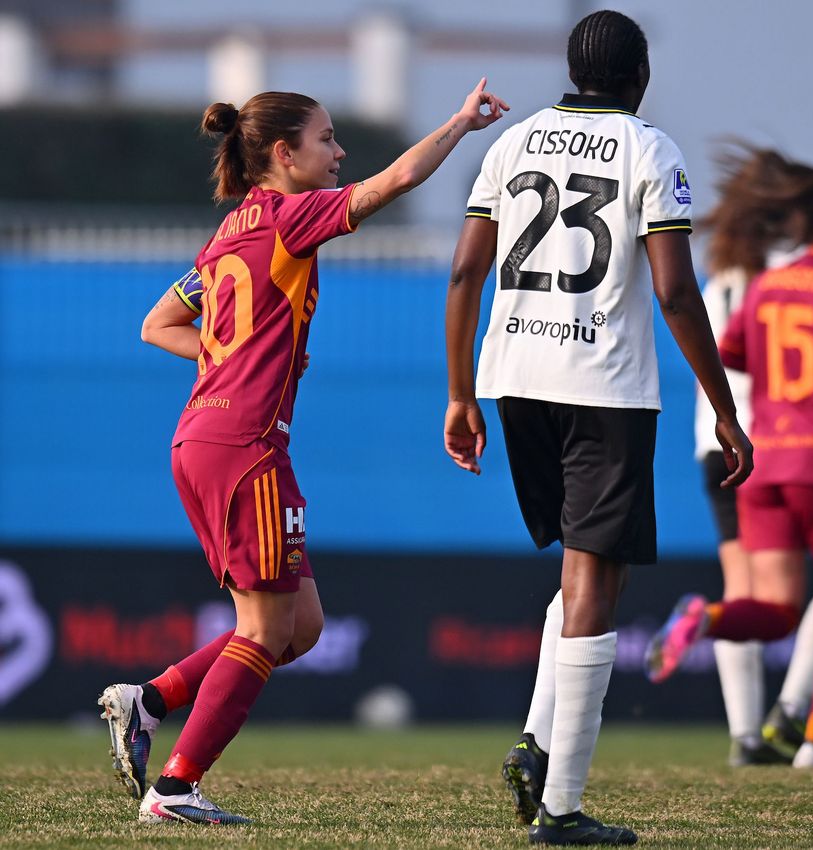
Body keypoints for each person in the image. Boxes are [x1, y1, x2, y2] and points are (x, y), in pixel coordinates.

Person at [98, 80, 507, 826]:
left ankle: (149, 701)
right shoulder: (288, 219)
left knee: (300, 629)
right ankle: (175, 789)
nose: (339, 152)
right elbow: (398, 180)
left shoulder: (228, 234)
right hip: (244, 446)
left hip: (204, 439)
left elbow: (157, 324)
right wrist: (458, 123)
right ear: (283, 156)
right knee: (263, 631)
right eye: (326, 139)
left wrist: (231, 355)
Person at [443, 10, 751, 846]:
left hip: (514, 380)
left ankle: (538, 746)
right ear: (638, 77)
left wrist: (460, 394)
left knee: (590, 575)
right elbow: (677, 293)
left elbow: (467, 271)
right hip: (603, 387)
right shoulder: (650, 149)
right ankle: (561, 808)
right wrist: (724, 407)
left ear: (572, 70)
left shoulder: (510, 146)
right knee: (593, 577)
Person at [645, 161, 813, 769]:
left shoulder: (757, 282)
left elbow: (729, 350)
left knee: (775, 609)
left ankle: (706, 618)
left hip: (760, 458)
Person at [693, 147, 813, 768]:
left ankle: (746, 737)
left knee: (740, 590)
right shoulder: (798, 270)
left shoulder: (720, 273)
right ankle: (792, 715)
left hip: (712, 441)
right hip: (780, 442)